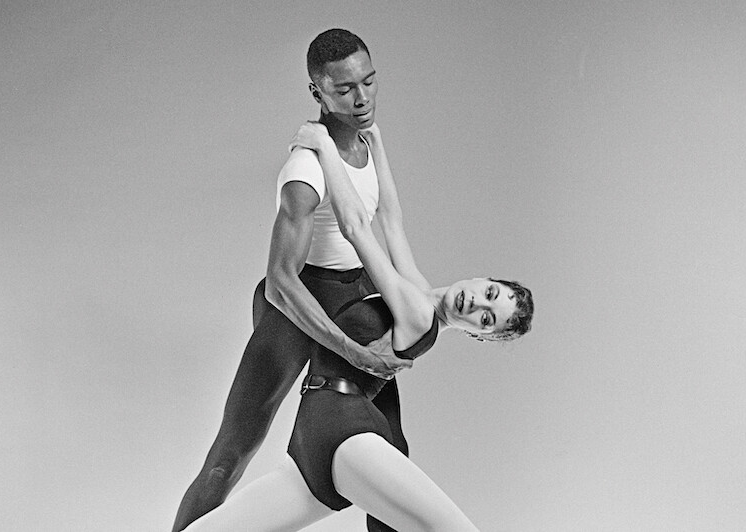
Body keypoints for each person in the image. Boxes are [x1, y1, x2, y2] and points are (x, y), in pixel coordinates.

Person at [181, 121, 534, 531]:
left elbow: (356, 227)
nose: (477, 304)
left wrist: (325, 147)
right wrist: (376, 139)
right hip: (319, 439)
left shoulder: (419, 317)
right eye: (489, 293)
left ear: (478, 334)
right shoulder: (417, 290)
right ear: (481, 278)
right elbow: (391, 217)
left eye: (486, 320)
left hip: (340, 432)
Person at [172, 29, 425, 532]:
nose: (361, 99)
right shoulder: (304, 169)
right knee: (232, 453)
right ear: (318, 94)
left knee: (390, 450)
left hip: (355, 297)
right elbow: (280, 282)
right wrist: (353, 354)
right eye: (344, 90)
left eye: (369, 83)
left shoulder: (369, 142)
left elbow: (386, 230)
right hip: (297, 306)